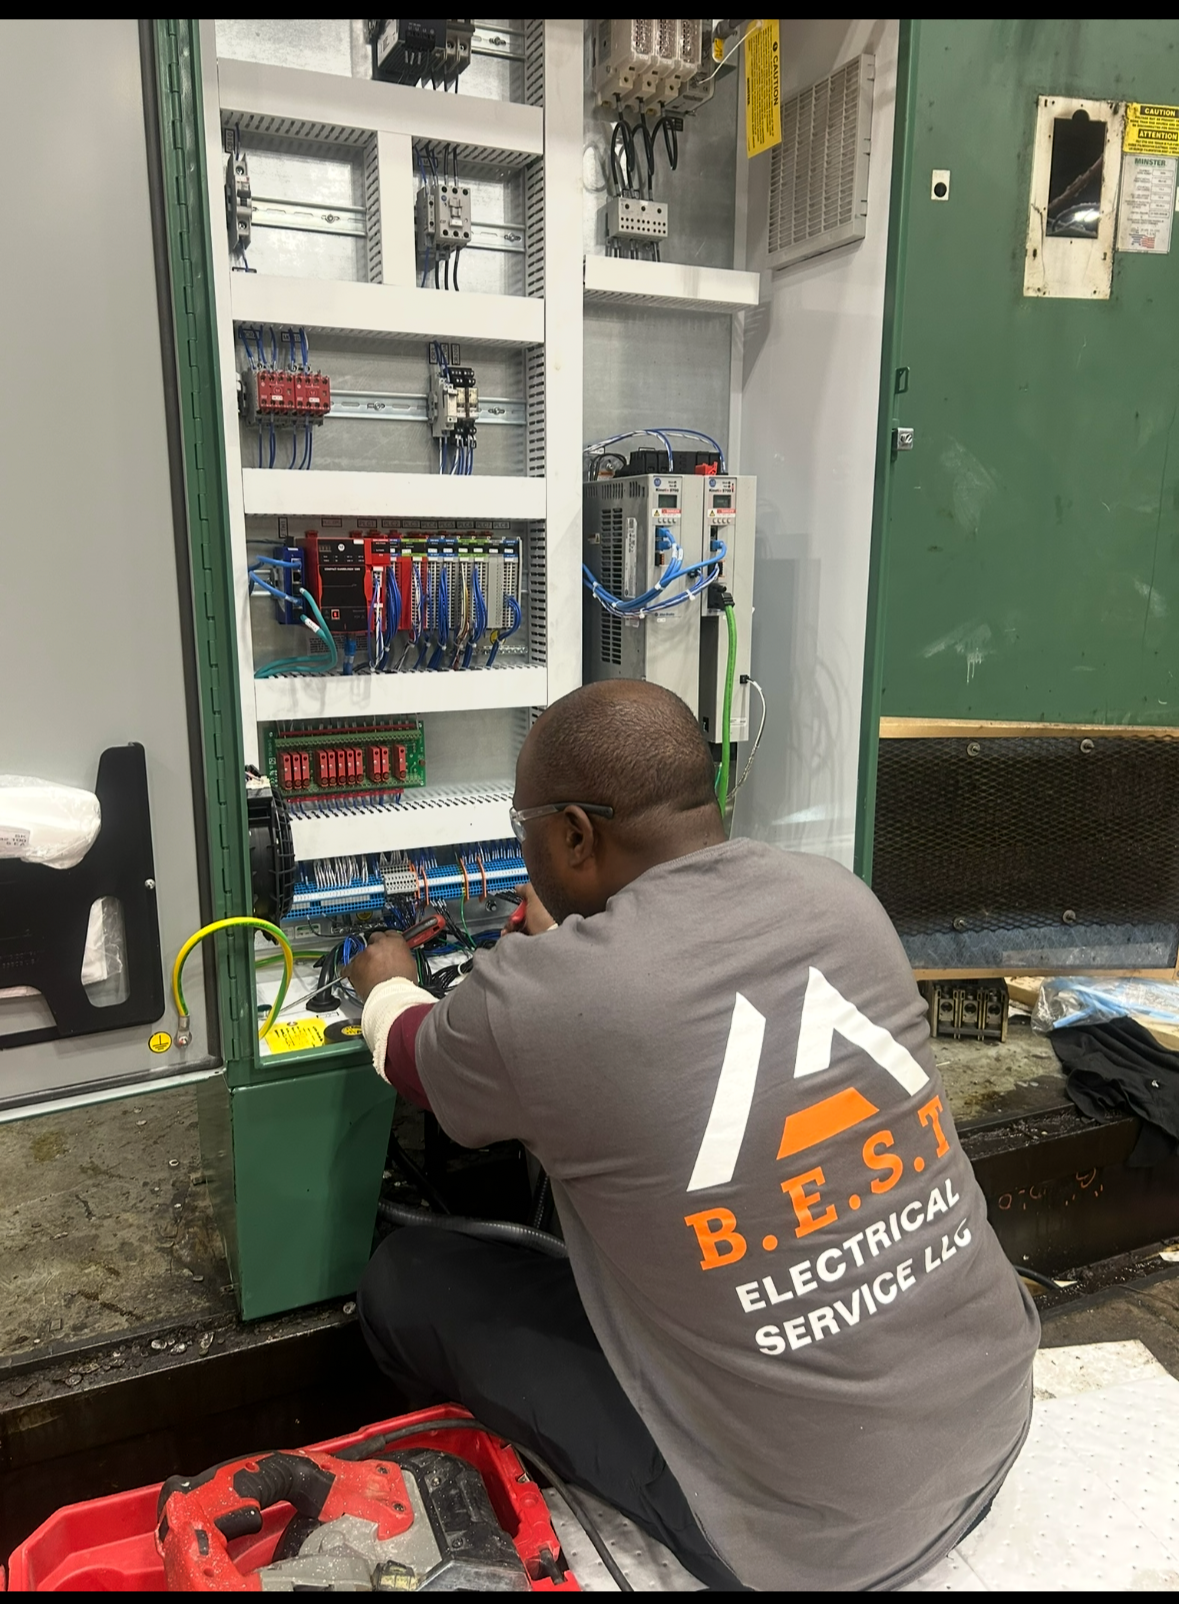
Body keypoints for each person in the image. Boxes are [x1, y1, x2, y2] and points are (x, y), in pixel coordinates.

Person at [346, 679, 1039, 1591]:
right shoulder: (837, 896)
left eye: (525, 826)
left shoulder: (543, 1007)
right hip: (991, 1423)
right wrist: (575, 929)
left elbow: (411, 1059)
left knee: (407, 1281)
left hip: (815, 1546)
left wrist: (385, 978)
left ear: (574, 836)